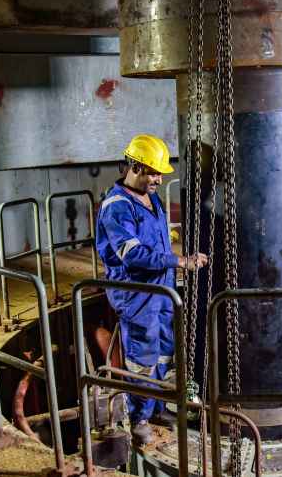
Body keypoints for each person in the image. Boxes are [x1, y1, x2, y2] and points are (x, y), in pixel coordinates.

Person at [95, 134, 208, 445]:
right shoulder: (117, 207)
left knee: (164, 351)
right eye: (153, 172)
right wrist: (179, 260)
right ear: (134, 166)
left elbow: (154, 237)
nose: (159, 179)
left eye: (160, 173)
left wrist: (169, 244)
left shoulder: (151, 198)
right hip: (136, 293)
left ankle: (156, 408)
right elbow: (131, 255)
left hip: (161, 288)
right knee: (142, 355)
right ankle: (139, 418)